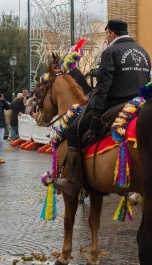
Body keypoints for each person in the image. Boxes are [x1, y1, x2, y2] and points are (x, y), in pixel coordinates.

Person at [54, 19, 151, 197]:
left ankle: (73, 181)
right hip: (140, 104)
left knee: (73, 129)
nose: (106, 37)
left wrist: (97, 115)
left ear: (112, 33)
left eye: (106, 34)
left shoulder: (111, 51)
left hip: (116, 104)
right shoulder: (143, 52)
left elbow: (103, 87)